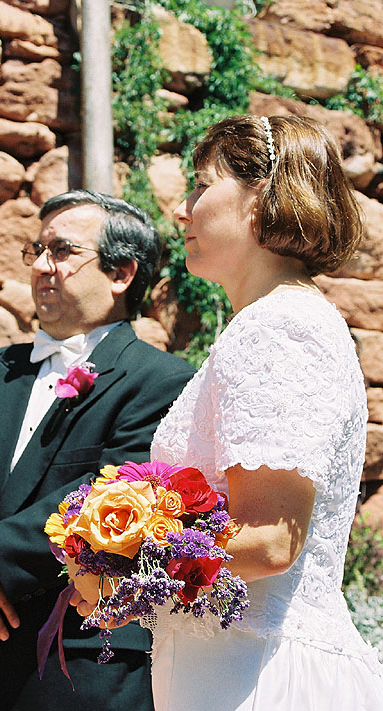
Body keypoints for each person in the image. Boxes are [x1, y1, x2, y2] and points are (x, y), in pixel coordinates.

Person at [70, 117, 383, 710]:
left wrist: (120, 561)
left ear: (263, 197)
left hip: (258, 674)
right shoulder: (275, 320)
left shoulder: (279, 327)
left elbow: (268, 540)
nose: (180, 210)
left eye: (200, 186)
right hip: (228, 664)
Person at [0, 189, 195, 711]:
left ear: (121, 273)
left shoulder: (162, 381)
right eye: (37, 250)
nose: (42, 266)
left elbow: (110, 493)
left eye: (62, 251)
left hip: (73, 662)